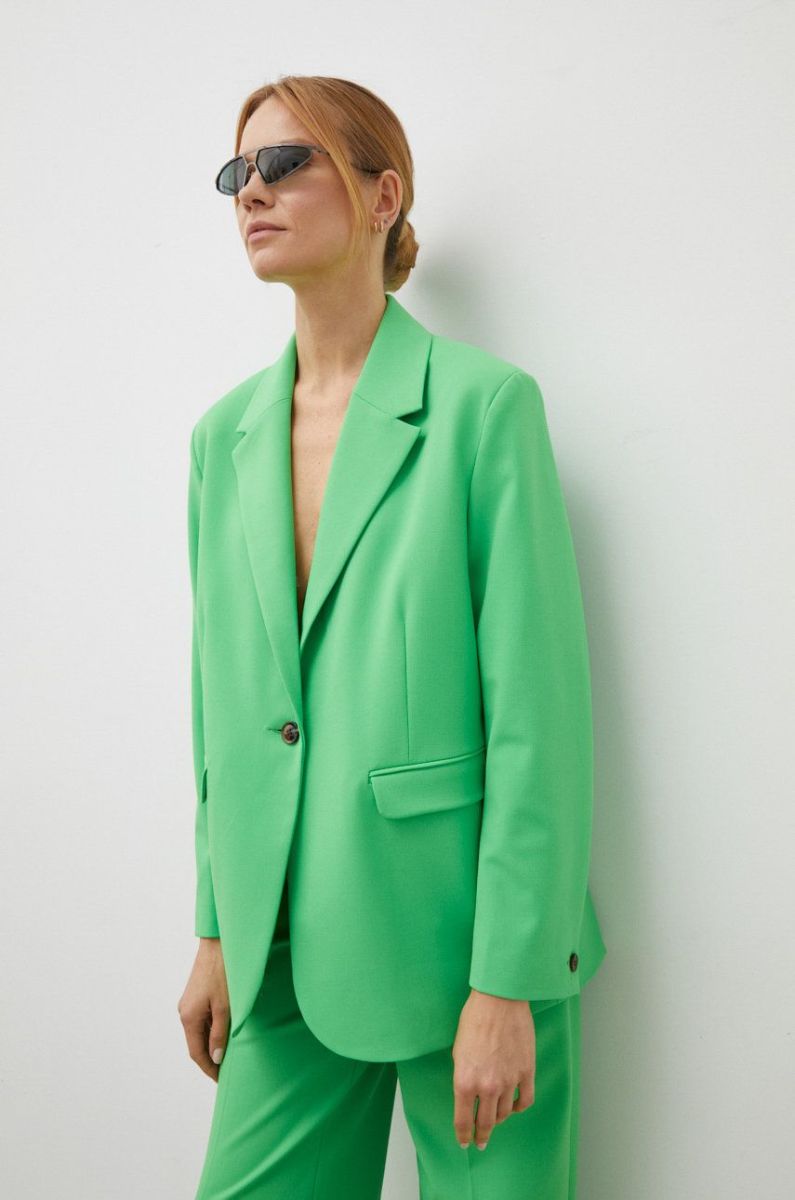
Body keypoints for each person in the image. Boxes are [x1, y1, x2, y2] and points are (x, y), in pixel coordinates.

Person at [177, 73, 607, 1199]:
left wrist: (510, 981)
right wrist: (218, 926)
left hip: (464, 946)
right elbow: (221, 707)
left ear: (382, 196)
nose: (251, 192)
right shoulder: (222, 442)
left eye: (284, 164)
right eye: (236, 173)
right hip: (280, 945)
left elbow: (539, 719)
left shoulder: (482, 410)